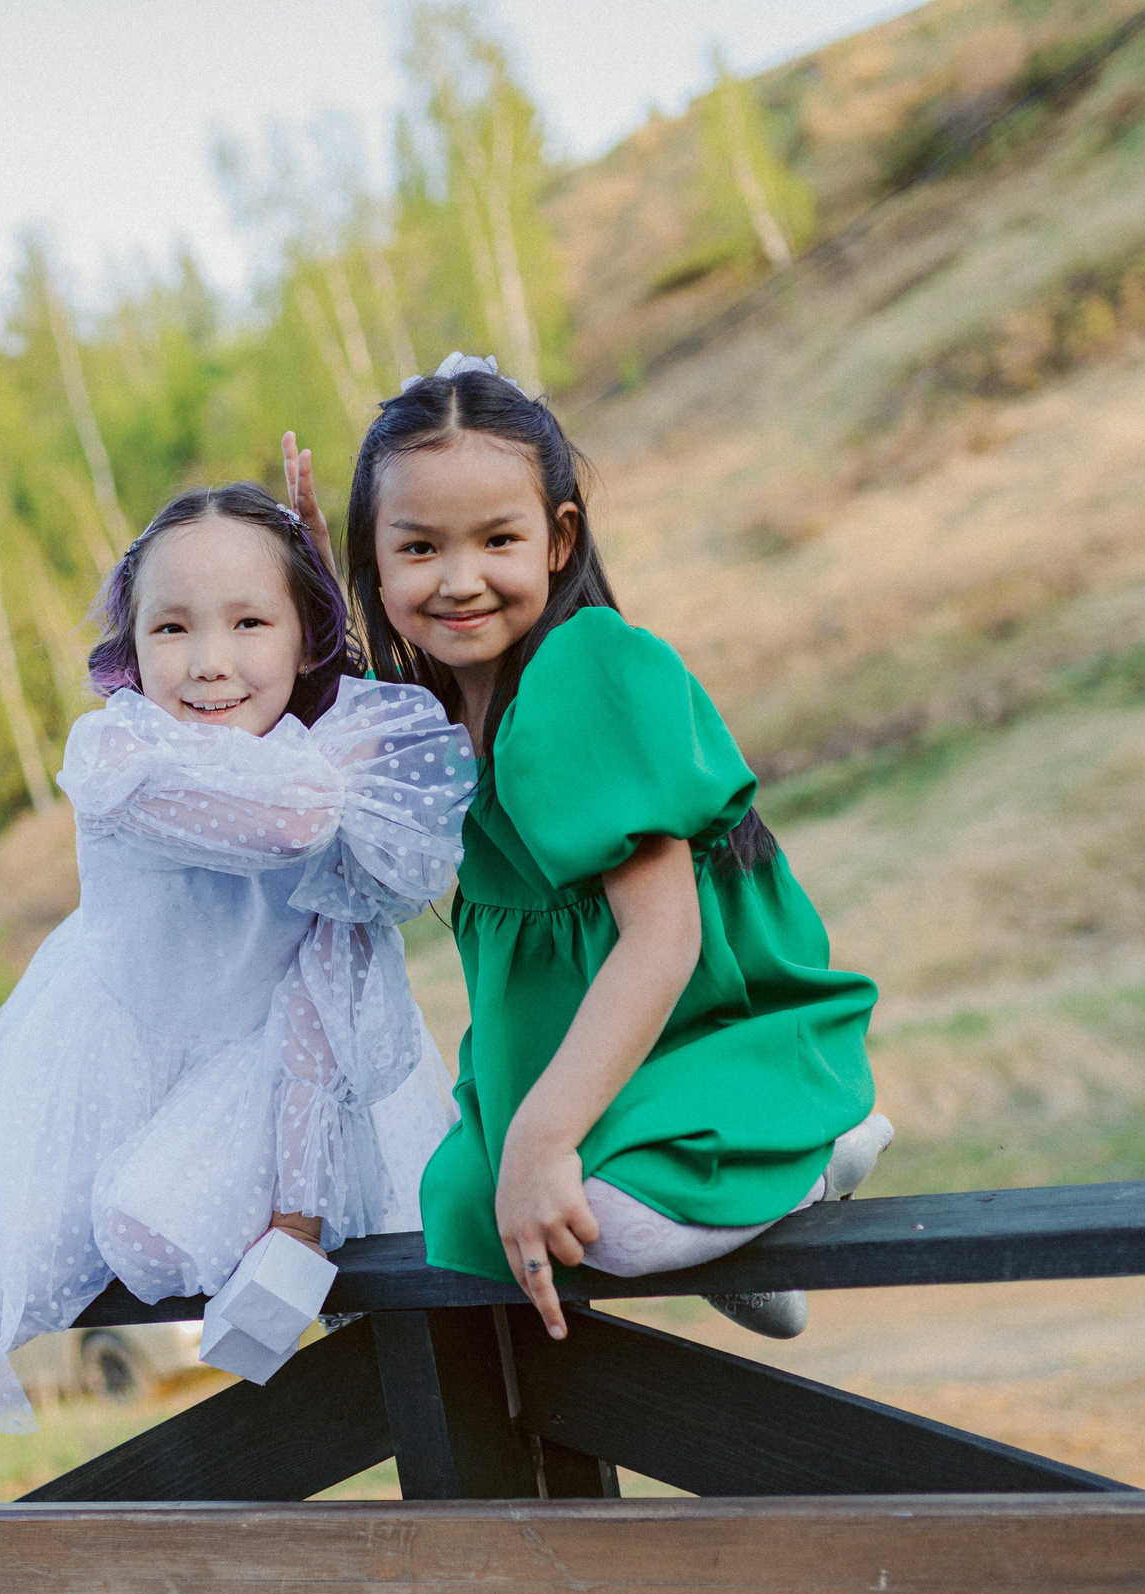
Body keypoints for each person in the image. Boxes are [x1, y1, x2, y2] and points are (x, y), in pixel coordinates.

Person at [305, 354, 890, 1343]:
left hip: (708, 1034)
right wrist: (316, 604)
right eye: (415, 550)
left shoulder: (583, 667)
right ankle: (716, 1229)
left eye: (497, 540)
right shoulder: (435, 715)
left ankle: (807, 1155)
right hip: (563, 1055)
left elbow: (659, 940)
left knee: (594, 1218)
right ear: (373, 562)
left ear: (557, 537)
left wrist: (542, 1136)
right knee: (462, 1220)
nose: (458, 580)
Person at [0, 482, 475, 1431]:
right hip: (126, 1057)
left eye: (250, 621)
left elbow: (351, 929)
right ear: (132, 645)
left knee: (186, 1227)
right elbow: (291, 823)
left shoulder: (329, 738)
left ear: (304, 635)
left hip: (286, 1066)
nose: (208, 664)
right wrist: (340, 744)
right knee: (111, 1244)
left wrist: (295, 1223)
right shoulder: (122, 752)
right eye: (170, 629)